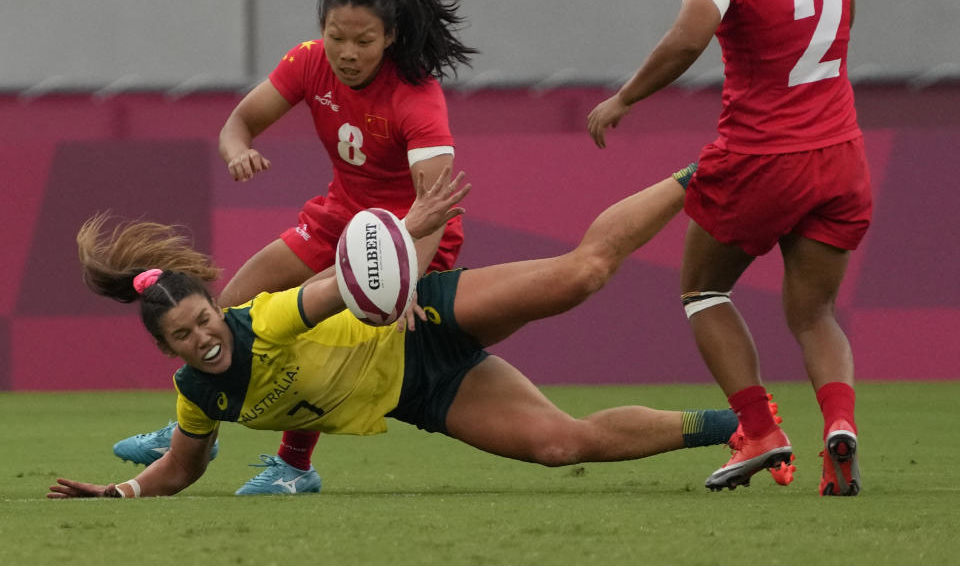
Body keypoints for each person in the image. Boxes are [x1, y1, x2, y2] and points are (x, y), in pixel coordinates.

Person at [49, 166, 744, 499]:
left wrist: (411, 229)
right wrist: (118, 494)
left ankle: (700, 173)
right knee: (563, 445)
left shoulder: (261, 321)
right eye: (183, 336)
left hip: (421, 319)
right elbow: (183, 467)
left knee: (581, 276)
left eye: (202, 318)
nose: (203, 337)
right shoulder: (196, 393)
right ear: (167, 349)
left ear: (212, 303)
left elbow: (336, 285)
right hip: (422, 392)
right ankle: (740, 430)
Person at [114, 0, 478, 495]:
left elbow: (436, 205)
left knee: (307, 323)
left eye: (364, 41)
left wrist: (402, 283)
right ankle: (194, 436)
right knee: (236, 303)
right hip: (338, 216)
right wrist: (238, 150)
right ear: (321, 30)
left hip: (404, 235)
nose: (348, 53)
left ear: (391, 37)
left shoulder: (416, 95)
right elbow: (239, 122)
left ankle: (294, 466)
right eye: (336, 37)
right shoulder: (309, 64)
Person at [587, 0, 869, 496]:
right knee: (816, 313)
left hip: (762, 158)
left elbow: (690, 38)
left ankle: (761, 431)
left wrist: (626, 96)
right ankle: (840, 424)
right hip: (840, 154)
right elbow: (841, 33)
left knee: (703, 291)